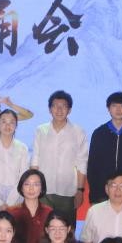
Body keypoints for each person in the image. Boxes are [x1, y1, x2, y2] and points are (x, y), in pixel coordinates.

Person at [31, 90, 88, 224]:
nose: (59, 110)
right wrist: (33, 187)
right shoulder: (41, 130)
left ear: (69, 110)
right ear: (50, 109)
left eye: (63, 106)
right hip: (44, 190)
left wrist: (80, 190)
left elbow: (82, 162)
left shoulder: (78, 132)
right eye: (55, 106)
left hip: (68, 191)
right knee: (42, 228)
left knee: (66, 228)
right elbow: (35, 160)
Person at [86, 92, 122, 206]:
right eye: (114, 106)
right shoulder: (99, 133)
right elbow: (92, 166)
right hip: (101, 194)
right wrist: (95, 193)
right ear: (108, 108)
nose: (118, 109)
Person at [7, 169, 53, 243]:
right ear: (21, 187)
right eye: (27, 184)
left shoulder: (49, 212)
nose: (31, 188)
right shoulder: (11, 212)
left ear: (42, 188)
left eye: (36, 184)